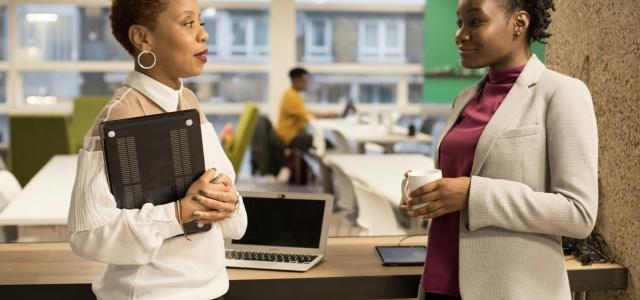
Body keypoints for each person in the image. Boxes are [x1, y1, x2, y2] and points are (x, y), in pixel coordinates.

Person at [400, 0, 598, 299]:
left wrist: (471, 194)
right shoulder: (464, 98)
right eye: (459, 23)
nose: (460, 35)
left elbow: (578, 214)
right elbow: (457, 180)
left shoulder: (562, 93)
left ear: (519, 23)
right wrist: (425, 194)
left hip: (510, 289)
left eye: (475, 22)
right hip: (439, 283)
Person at [67, 1, 247, 299]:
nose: (203, 35)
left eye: (201, 22)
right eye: (188, 23)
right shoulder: (120, 116)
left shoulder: (188, 101)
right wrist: (180, 212)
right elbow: (87, 235)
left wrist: (228, 202)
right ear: (142, 37)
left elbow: (229, 218)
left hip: (210, 290)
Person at [276, 67, 314, 153]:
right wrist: (326, 115)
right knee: (321, 142)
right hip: (288, 137)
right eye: (304, 81)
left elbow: (305, 113)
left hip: (292, 135)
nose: (306, 84)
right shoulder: (290, 96)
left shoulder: (294, 94)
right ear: (297, 80)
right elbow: (306, 115)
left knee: (317, 141)